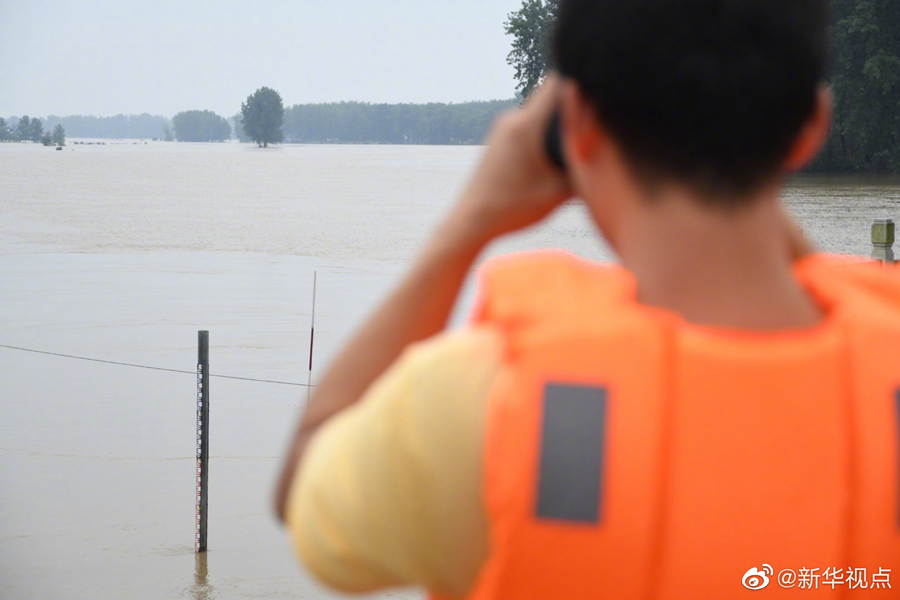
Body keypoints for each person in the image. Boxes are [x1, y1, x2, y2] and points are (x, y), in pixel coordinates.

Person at [275, 0, 900, 597]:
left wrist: (467, 224)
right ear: (811, 127)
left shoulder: (481, 403)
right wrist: (753, 185)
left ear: (576, 123)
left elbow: (304, 487)